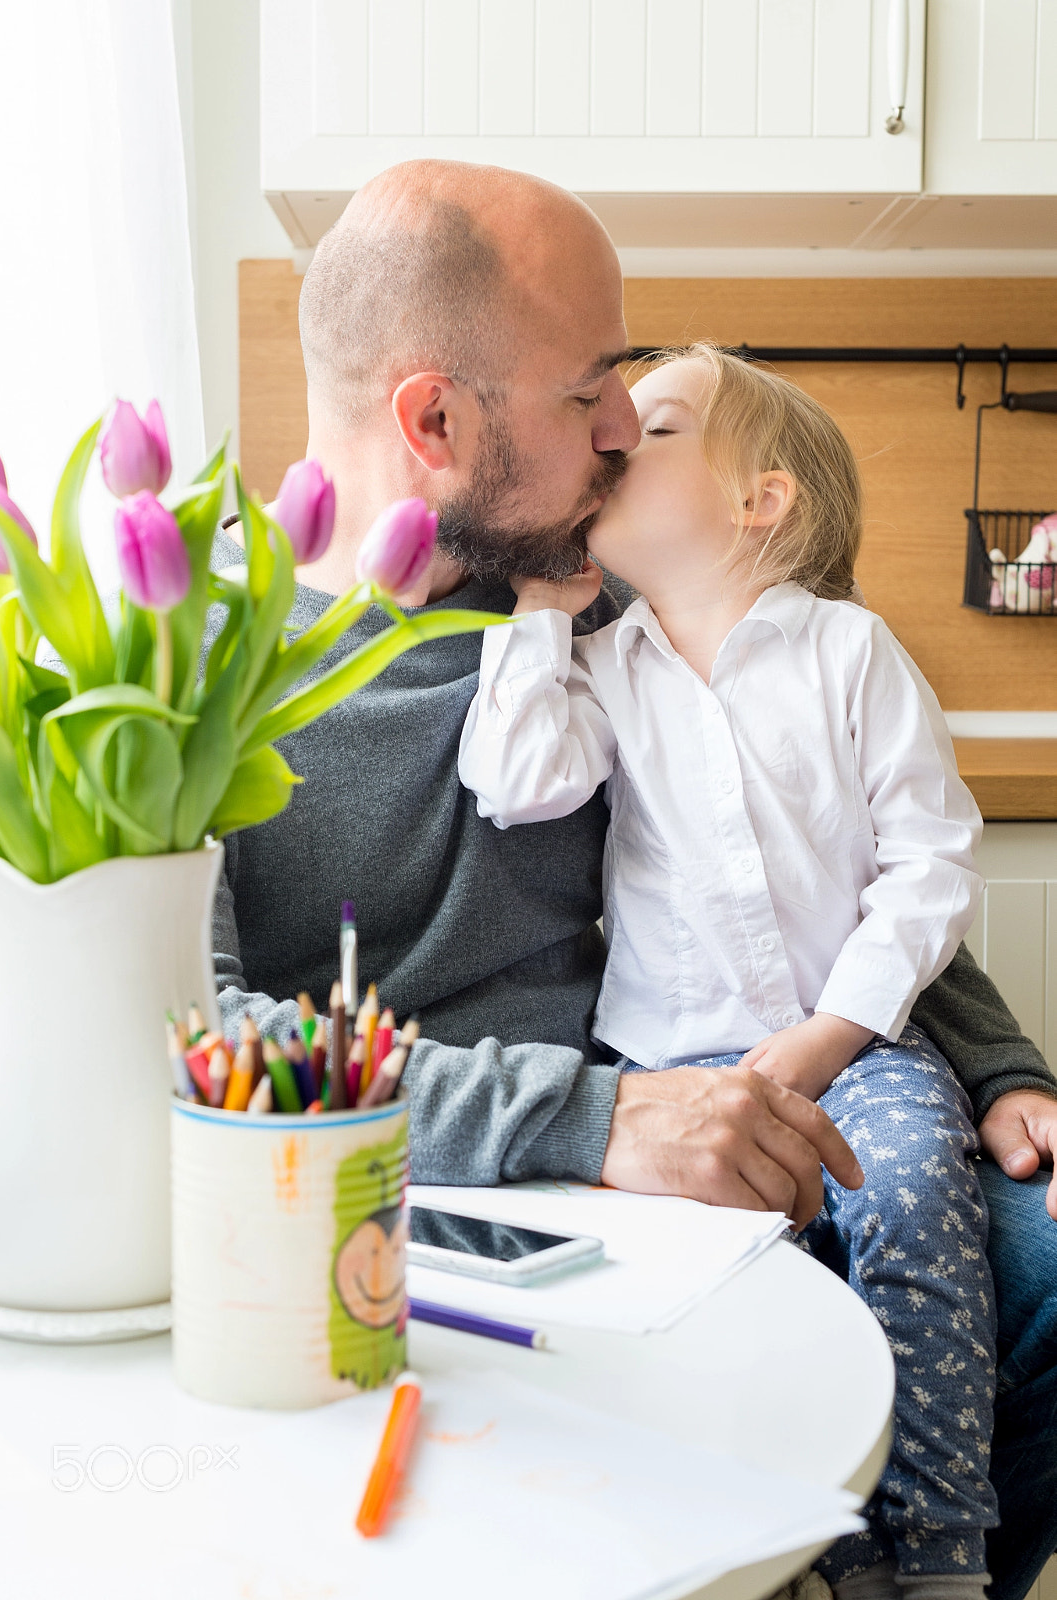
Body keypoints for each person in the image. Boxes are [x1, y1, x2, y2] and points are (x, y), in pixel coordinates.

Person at [211, 159, 1057, 1600]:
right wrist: (595, 1120)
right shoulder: (201, 676)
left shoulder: (600, 597)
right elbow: (223, 1056)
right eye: (585, 389)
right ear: (430, 420)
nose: (619, 428)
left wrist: (994, 1067)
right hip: (433, 1190)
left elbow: (817, 857)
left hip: (714, 1126)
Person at [458, 341, 998, 1600]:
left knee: (915, 1202)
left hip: (852, 1052)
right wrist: (541, 609)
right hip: (668, 1064)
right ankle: (823, 1551)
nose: (607, 442)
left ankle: (933, 1555)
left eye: (650, 431)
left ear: (759, 501)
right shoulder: (598, 664)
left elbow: (929, 866)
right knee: (746, 1286)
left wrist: (828, 1035)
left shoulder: (850, 654)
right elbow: (517, 782)